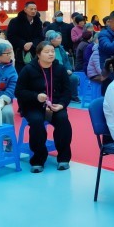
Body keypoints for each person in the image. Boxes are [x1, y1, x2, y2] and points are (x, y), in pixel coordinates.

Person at [15, 41, 73, 173]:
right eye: (47, 52)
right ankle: (38, 159)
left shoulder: (60, 69)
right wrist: (36, 96)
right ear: (38, 54)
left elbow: (67, 91)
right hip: (33, 106)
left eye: (52, 51)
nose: (51, 54)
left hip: (55, 105)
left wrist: (62, 104)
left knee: (63, 120)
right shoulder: (28, 69)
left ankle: (63, 158)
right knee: (36, 122)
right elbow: (19, 92)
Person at [7, 1, 44, 72]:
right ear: (25, 9)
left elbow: (40, 37)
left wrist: (32, 43)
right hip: (18, 53)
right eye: (31, 9)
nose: (33, 11)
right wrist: (23, 44)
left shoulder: (38, 22)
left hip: (34, 53)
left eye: (35, 9)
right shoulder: (15, 21)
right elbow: (11, 36)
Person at [46, 30, 81, 103]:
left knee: (74, 78)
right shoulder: (47, 48)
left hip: (64, 70)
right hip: (53, 70)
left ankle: (73, 96)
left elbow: (66, 61)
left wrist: (69, 69)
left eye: (60, 38)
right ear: (52, 40)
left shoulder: (61, 48)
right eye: (58, 38)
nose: (60, 40)